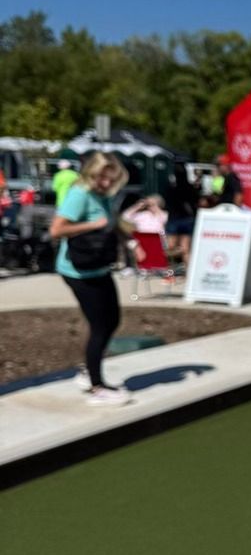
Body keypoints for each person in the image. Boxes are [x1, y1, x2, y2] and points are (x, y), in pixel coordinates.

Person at [48, 151, 131, 406]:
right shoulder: (80, 194)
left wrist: (131, 241)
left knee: (112, 320)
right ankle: (97, 387)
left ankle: (89, 371)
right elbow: (56, 229)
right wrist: (92, 226)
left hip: (99, 266)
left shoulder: (102, 195)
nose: (106, 183)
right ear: (91, 174)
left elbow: (110, 222)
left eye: (110, 179)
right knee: (99, 325)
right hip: (78, 271)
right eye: (101, 178)